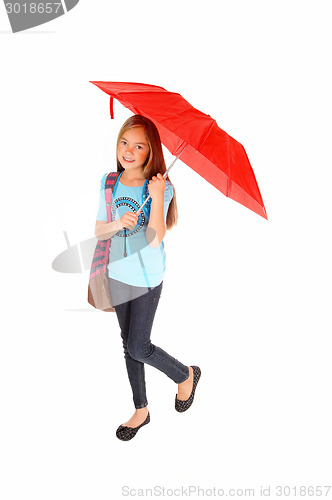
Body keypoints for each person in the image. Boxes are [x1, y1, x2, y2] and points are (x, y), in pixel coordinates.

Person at [94, 115, 201, 441]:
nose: (129, 150)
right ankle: (141, 410)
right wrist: (118, 223)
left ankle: (185, 375)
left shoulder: (160, 186)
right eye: (125, 142)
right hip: (115, 273)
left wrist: (155, 196)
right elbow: (99, 229)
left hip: (146, 278)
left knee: (139, 347)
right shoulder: (110, 182)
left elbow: (155, 237)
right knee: (129, 346)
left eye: (139, 146)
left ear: (150, 150)